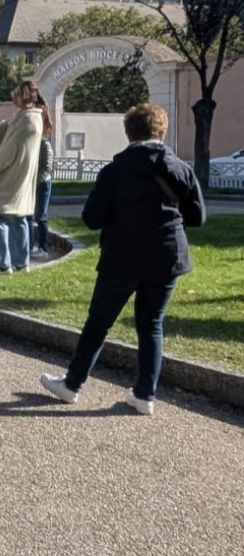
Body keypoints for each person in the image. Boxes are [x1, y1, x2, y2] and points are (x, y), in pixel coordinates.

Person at [40, 103, 205, 415]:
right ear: (162, 132)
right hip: (167, 255)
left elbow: (92, 218)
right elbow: (197, 216)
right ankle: (145, 395)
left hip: (122, 256)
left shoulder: (115, 171)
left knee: (99, 323)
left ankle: (72, 384)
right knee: (152, 324)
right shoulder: (180, 168)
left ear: (128, 133)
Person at [0, 80, 44, 274]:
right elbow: (7, 130)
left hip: (12, 175)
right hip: (21, 176)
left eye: (16, 94)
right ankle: (20, 262)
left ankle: (1, 264)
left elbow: (10, 149)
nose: (13, 97)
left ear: (25, 96)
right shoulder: (27, 117)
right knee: (19, 216)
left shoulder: (27, 120)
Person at [31, 102, 55, 259]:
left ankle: (43, 248)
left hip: (43, 183)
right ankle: (30, 245)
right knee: (31, 215)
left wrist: (37, 181)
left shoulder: (45, 144)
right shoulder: (35, 143)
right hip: (34, 182)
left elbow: (47, 168)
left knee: (41, 216)